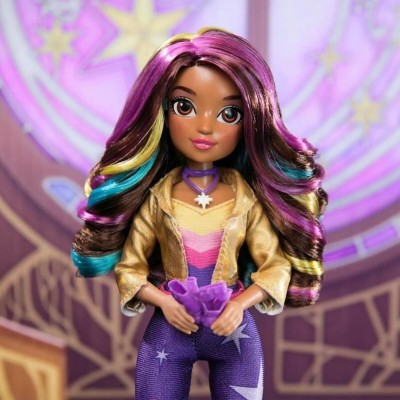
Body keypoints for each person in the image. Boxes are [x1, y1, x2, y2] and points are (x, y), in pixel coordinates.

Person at [71, 27, 327, 400]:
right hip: (170, 329)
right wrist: (164, 301)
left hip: (233, 333)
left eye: (229, 113)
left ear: (250, 120)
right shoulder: (158, 199)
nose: (205, 126)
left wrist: (240, 304)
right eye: (185, 107)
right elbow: (130, 269)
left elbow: (274, 266)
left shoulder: (245, 200)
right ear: (162, 111)